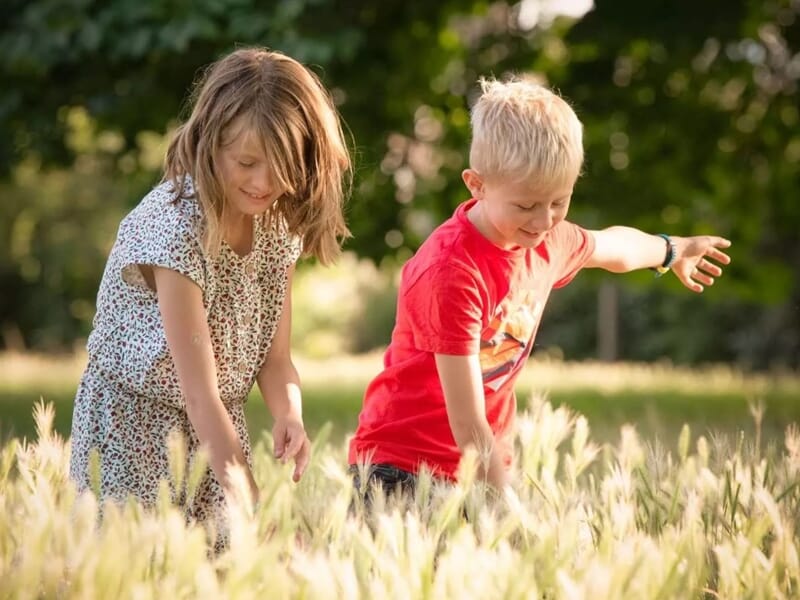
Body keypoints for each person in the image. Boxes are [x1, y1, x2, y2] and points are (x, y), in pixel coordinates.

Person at [348, 75, 731, 498]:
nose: (544, 220)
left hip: (477, 464)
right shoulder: (451, 271)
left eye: (558, 201)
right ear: (476, 185)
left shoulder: (549, 238)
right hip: (400, 466)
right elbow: (467, 419)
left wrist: (670, 250)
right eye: (526, 205)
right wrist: (504, 503)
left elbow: (614, 247)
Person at [69, 47, 352, 535]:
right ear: (210, 143)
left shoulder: (275, 229)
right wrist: (257, 509)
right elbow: (199, 395)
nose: (265, 183)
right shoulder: (175, 231)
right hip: (132, 435)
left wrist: (290, 413)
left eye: (283, 166)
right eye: (247, 162)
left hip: (216, 432)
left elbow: (276, 359)